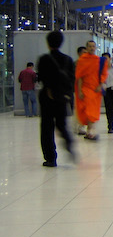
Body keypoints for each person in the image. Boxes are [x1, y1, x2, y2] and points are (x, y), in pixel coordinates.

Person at [36, 31, 76, 166]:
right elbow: (72, 79)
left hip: (47, 96)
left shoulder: (44, 59)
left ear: (48, 43)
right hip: (62, 97)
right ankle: (69, 142)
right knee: (61, 124)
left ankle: (50, 158)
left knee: (47, 127)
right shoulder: (68, 60)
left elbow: (40, 77)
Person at [75, 40, 108, 141]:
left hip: (95, 89)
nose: (92, 48)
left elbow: (103, 74)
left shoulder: (99, 60)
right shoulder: (82, 60)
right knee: (88, 110)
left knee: (93, 110)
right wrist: (80, 91)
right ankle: (90, 131)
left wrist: (100, 84)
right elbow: (80, 77)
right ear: (87, 48)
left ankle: (90, 131)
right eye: (90, 46)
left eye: (93, 46)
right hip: (85, 88)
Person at [73, 46, 87, 136]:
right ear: (79, 53)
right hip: (77, 90)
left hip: (86, 89)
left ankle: (82, 126)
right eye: (83, 53)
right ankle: (78, 126)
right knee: (77, 108)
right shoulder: (75, 64)